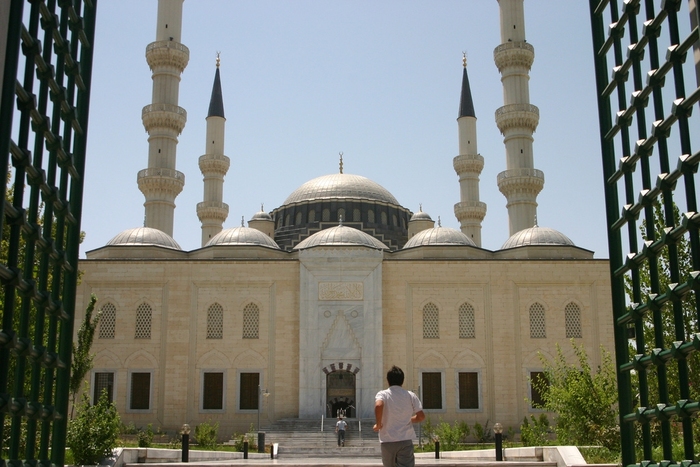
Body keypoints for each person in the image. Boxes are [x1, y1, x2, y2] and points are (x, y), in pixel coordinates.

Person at [373, 366, 425, 467]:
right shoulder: (410, 395)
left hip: (387, 441)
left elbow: (378, 405)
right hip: (405, 440)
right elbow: (421, 417)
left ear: (388, 380)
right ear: (402, 380)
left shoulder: (383, 394)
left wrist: (378, 424)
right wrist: (409, 420)